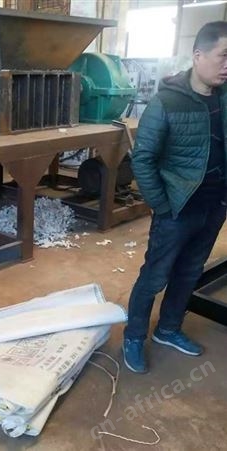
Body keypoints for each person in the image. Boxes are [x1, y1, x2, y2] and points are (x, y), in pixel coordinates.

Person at [123, 21, 227, 374]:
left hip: (215, 206)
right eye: (223, 56)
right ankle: (134, 336)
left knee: (189, 272)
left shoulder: (225, 99)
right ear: (198, 56)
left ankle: (168, 329)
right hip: (178, 209)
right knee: (155, 276)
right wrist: (163, 207)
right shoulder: (166, 102)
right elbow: (143, 159)